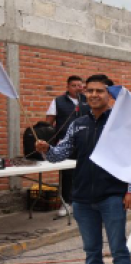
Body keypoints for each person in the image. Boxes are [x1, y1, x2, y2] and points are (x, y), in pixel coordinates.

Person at [35, 74, 131, 264]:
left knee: (118, 250)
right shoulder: (77, 124)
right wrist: (47, 150)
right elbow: (60, 155)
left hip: (112, 196)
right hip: (82, 198)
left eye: (99, 91)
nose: (93, 95)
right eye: (89, 91)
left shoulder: (121, 123)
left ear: (109, 94)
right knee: (92, 252)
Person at [45, 75, 89, 217]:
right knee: (67, 174)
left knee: (84, 171)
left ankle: (82, 201)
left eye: (79, 85)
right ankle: (66, 203)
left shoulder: (87, 100)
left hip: (85, 142)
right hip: (65, 143)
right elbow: (48, 124)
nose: (77, 88)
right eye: (74, 85)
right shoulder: (58, 101)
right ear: (68, 87)